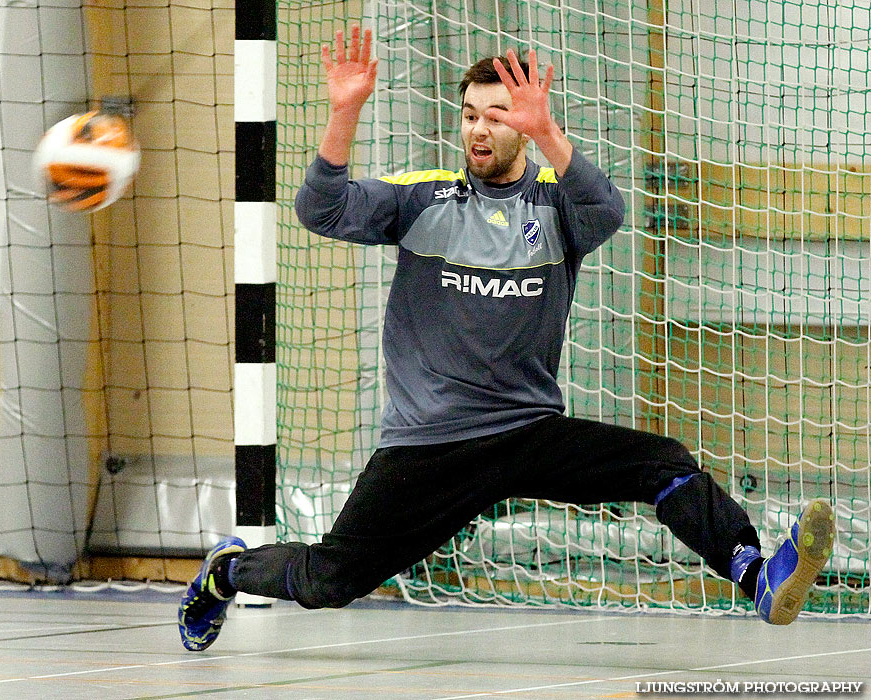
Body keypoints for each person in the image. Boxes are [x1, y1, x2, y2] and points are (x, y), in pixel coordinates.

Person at [178, 25, 836, 651]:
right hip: (431, 444)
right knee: (331, 582)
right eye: (469, 115)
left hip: (527, 433)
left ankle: (758, 576)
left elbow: (608, 210)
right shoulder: (423, 200)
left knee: (663, 464)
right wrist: (345, 111)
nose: (479, 128)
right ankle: (226, 572)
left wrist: (547, 130)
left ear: (522, 128)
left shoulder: (556, 207)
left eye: (497, 115)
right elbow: (319, 210)